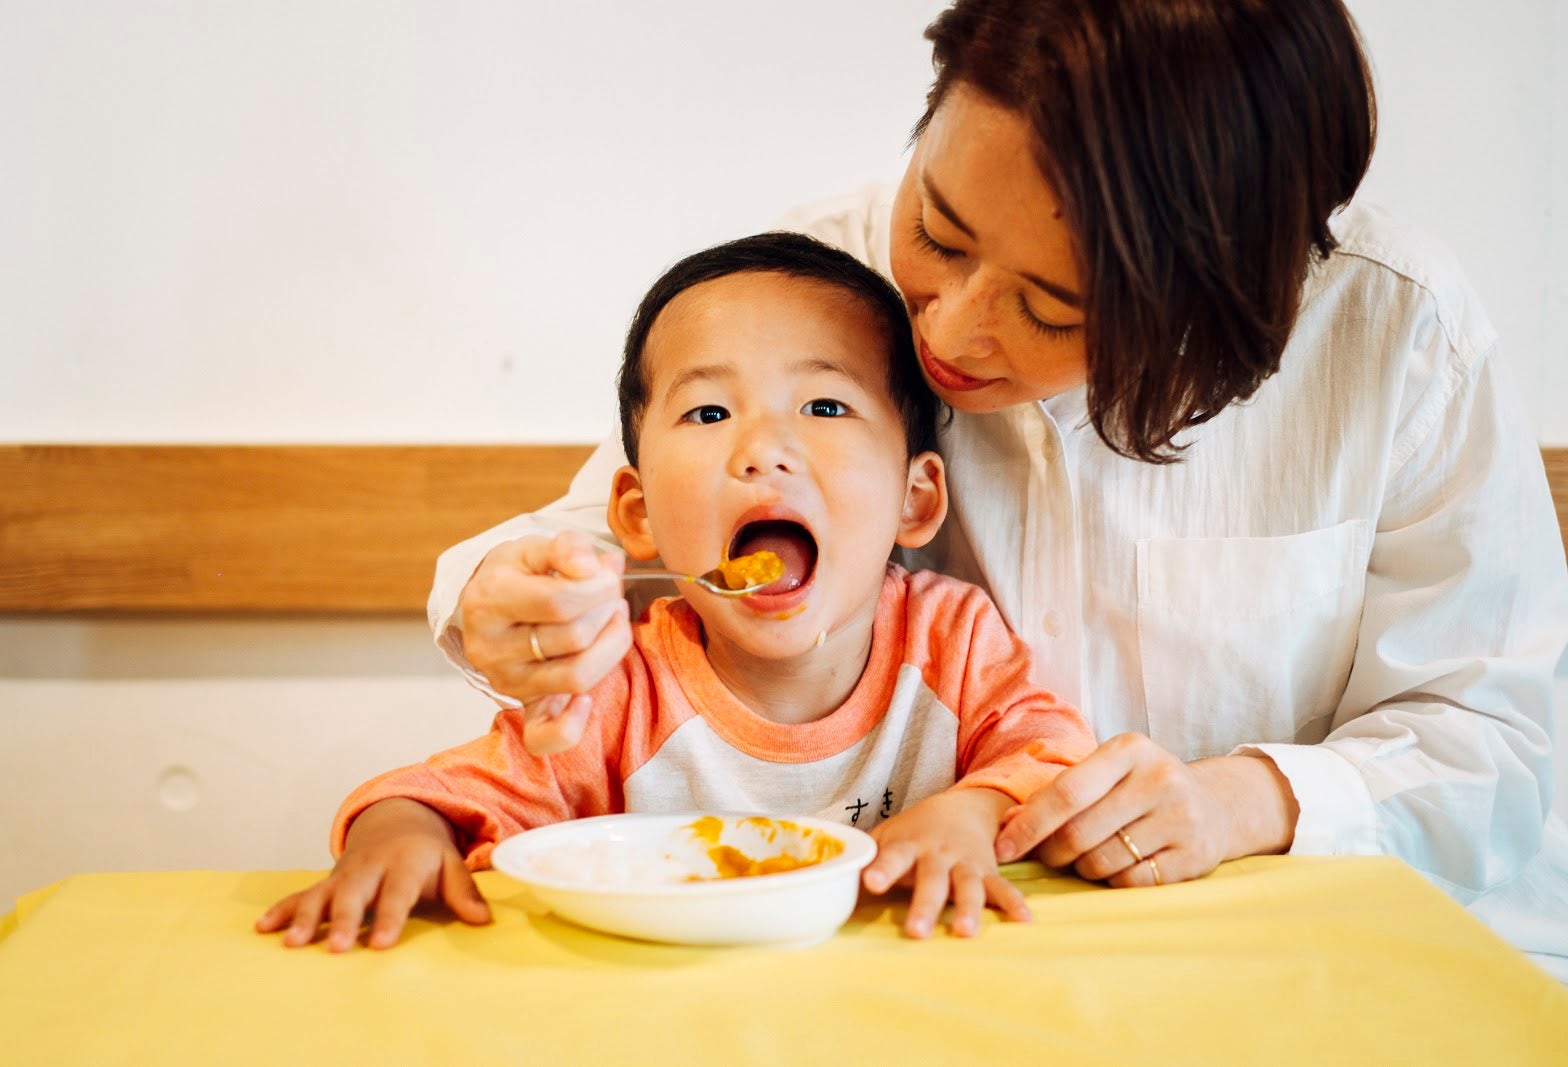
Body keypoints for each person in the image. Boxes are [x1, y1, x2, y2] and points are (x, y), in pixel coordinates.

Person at [426, 0, 1568, 979]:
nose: (952, 332)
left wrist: (1247, 799)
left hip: (1303, 958)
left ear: (1221, 301)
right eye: (938, 230)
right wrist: (515, 600)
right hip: (944, 961)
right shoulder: (813, 297)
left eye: (1052, 307)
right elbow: (599, 542)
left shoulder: (1393, 327)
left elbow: (1500, 744)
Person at [257, 232, 1096, 951]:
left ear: (915, 498)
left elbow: (1054, 751)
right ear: (637, 512)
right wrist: (397, 835)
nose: (763, 449)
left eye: (824, 404)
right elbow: (442, 797)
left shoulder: (951, 642)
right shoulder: (622, 694)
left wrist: (974, 810)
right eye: (709, 414)